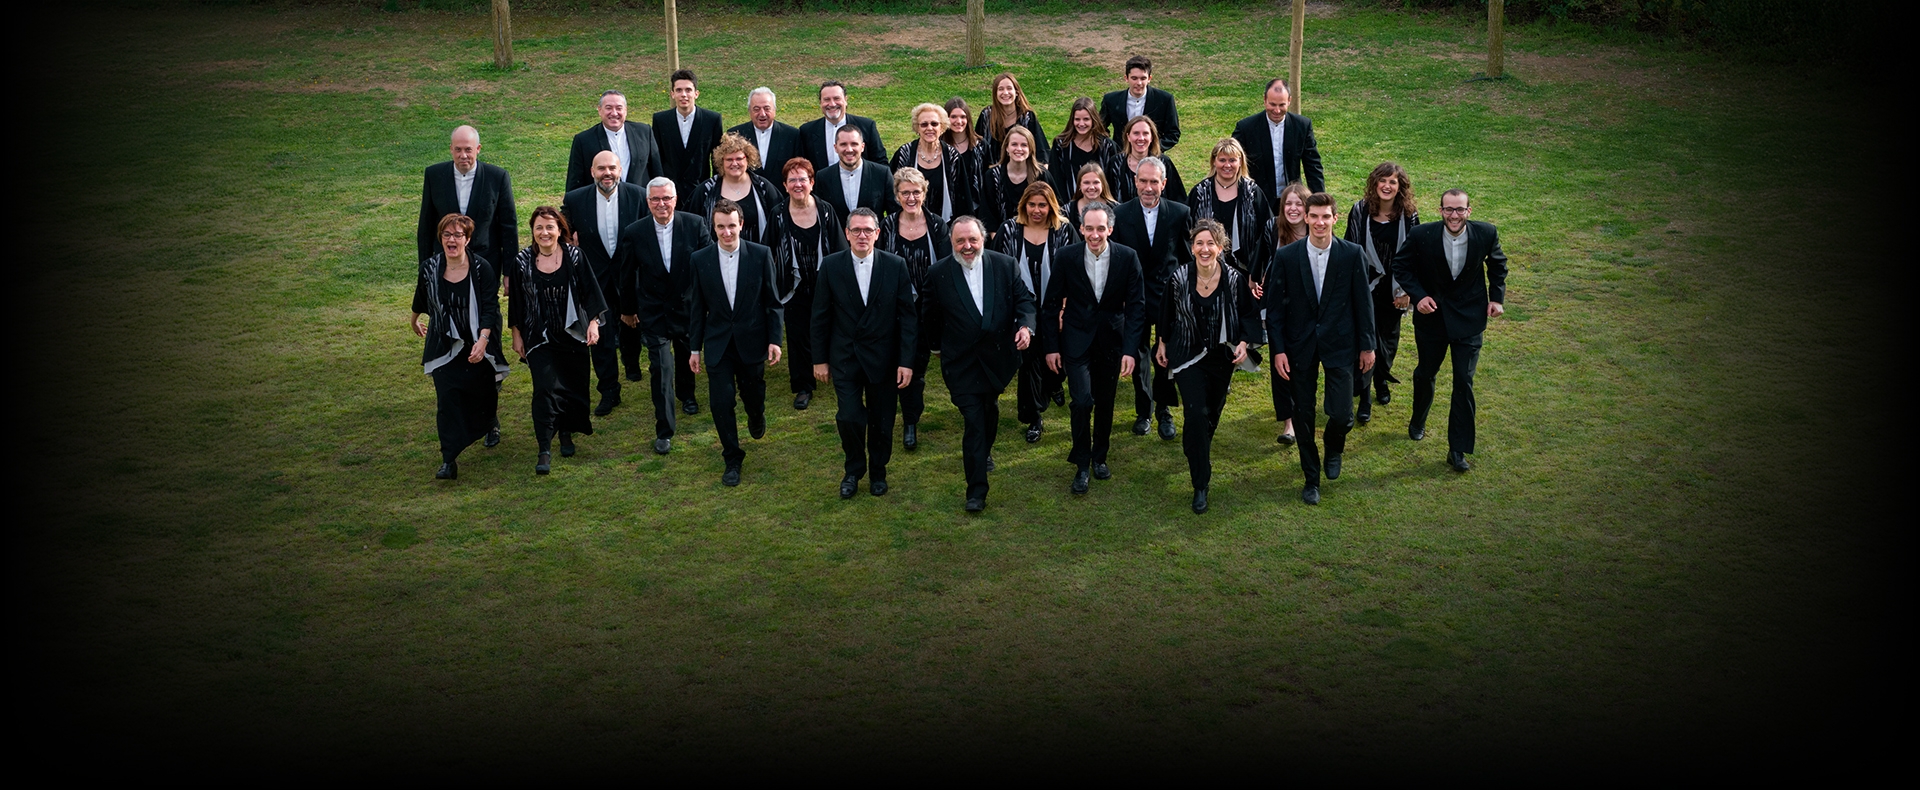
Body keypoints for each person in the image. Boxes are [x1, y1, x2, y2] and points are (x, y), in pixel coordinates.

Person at [1265, 193, 1375, 505]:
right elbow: (1274, 311)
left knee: (1341, 414)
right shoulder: (1287, 257)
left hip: (1341, 343)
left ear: (1335, 218)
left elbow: (1363, 304)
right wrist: (1278, 350)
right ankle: (1311, 478)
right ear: (1306, 218)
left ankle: (1333, 446)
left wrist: (1368, 346)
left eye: (1325, 216)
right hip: (1298, 347)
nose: (1319, 222)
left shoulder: (1352, 254)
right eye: (1314, 216)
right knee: (1303, 415)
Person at [922, 216, 1037, 513]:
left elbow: (1024, 300)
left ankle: (983, 451)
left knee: (989, 411)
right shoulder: (938, 273)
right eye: (960, 241)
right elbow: (930, 316)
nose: (967, 246)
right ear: (951, 242)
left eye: (972, 239)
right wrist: (936, 347)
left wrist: (1026, 327)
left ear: (983, 239)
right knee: (973, 423)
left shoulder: (1005, 265)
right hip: (961, 364)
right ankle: (976, 491)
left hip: (997, 360)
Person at [1391, 189, 1508, 473]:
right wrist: (1418, 296)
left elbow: (1497, 265)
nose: (1454, 215)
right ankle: (1418, 419)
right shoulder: (1422, 235)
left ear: (1469, 211)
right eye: (1449, 209)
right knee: (1426, 372)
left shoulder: (1486, 233)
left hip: (1469, 319)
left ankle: (1457, 449)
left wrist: (1496, 298)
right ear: (1440, 210)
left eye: (1459, 210)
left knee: (1463, 381)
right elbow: (1401, 266)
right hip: (1432, 318)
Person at [811, 208, 918, 499]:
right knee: (849, 416)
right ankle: (853, 470)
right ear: (847, 234)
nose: (862, 235)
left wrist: (906, 362)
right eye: (856, 230)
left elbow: (908, 318)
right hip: (845, 357)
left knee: (882, 421)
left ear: (877, 233)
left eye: (868, 230)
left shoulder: (895, 265)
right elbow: (820, 317)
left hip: (883, 359)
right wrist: (819, 359)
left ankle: (878, 472)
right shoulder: (831, 266)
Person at [1155, 219, 1260, 514]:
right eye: (1199, 243)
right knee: (1196, 412)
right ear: (1192, 247)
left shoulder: (1234, 279)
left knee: (1211, 413)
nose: (1204, 249)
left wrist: (1243, 343)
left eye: (1210, 243)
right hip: (1187, 354)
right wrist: (1162, 342)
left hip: (1220, 357)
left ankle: (1196, 445)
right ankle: (1200, 483)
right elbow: (1166, 313)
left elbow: (1248, 315)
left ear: (1221, 247)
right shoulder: (1178, 278)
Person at [1040, 201, 1144, 495]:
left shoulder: (1128, 257)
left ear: (1110, 229)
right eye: (1089, 228)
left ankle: (1100, 457)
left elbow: (1136, 308)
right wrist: (1051, 347)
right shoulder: (1066, 256)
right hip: (1076, 341)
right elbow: (1050, 305)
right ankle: (1082, 464)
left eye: (1100, 228)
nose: (1094, 234)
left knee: (1106, 403)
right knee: (1083, 401)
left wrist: (1130, 350)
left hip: (1111, 342)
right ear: (1081, 228)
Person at [687, 199, 784, 487]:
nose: (726, 232)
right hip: (718, 344)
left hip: (752, 341)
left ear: (741, 224)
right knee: (721, 402)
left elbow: (772, 302)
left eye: (731, 225)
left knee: (753, 394)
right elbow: (697, 308)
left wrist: (774, 340)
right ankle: (732, 457)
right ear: (713, 227)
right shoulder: (700, 259)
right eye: (720, 227)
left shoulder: (760, 254)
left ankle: (756, 415)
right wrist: (695, 349)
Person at [614, 176, 711, 454]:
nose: (661, 204)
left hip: (687, 308)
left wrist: (708, 305)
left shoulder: (695, 225)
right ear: (648, 202)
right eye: (655, 199)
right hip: (653, 311)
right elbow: (626, 275)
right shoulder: (635, 232)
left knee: (686, 354)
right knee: (660, 368)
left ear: (675, 199)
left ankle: (687, 395)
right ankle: (664, 430)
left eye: (666, 198)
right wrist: (628, 311)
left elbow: (708, 267)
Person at [507, 206, 607, 475]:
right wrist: (516, 334)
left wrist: (594, 323)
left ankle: (566, 432)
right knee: (544, 389)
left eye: (549, 227)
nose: (544, 232)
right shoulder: (521, 261)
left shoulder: (574, 256)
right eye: (539, 227)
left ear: (560, 229)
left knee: (572, 386)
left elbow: (590, 291)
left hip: (572, 334)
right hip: (538, 336)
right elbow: (516, 302)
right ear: (532, 231)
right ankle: (544, 448)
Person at [412, 214, 509, 480]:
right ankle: (449, 459)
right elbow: (421, 296)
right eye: (447, 235)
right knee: (447, 400)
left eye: (457, 235)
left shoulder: (481, 268)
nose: (451, 240)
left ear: (467, 240)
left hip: (477, 339)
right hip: (444, 342)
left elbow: (490, 307)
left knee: (482, 393)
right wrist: (414, 320)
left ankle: (490, 422)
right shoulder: (430, 268)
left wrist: (483, 340)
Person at [1109, 156, 1192, 441]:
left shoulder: (1180, 213)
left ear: (1164, 183)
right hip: (1133, 298)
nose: (1148, 187)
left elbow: (1186, 259)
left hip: (1168, 298)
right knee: (1138, 353)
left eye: (1153, 182)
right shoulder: (1120, 214)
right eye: (1143, 181)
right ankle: (1143, 411)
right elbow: (1117, 261)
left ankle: (1164, 412)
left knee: (1165, 356)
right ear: (1135, 181)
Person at [991, 181, 1079, 444]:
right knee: (1029, 361)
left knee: (1055, 354)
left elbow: (1075, 271)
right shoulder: (1009, 230)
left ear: (1051, 206)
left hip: (1056, 306)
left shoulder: (1064, 230)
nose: (1037, 210)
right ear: (1024, 205)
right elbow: (997, 269)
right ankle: (1034, 416)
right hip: (1020, 308)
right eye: (1032, 204)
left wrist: (1064, 307)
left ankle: (1053, 383)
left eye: (1042, 205)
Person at [562, 151, 644, 416]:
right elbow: (562, 230)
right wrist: (568, 241)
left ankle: (632, 364)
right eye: (601, 169)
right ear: (592, 172)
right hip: (594, 279)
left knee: (631, 323)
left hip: (629, 275)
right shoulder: (575, 200)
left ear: (620, 170)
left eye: (612, 168)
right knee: (600, 336)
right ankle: (609, 390)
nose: (607, 173)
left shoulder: (638, 195)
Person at [877, 169, 952, 452]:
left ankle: (911, 419)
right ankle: (898, 417)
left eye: (916, 192)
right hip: (894, 307)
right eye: (905, 192)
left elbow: (946, 267)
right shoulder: (885, 226)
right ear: (896, 195)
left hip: (927, 306)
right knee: (898, 360)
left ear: (924, 193)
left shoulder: (937, 225)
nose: (911, 198)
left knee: (917, 365)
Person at [1345, 162, 1419, 425]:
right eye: (1382, 180)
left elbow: (1415, 254)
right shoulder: (1360, 210)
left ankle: (1381, 379)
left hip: (1395, 290)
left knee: (1388, 343)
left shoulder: (1409, 215)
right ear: (1374, 183)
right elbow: (1351, 248)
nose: (1387, 186)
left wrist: (1407, 290)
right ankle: (1365, 397)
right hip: (1365, 286)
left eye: (1393, 182)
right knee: (1366, 341)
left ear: (1400, 187)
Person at [771, 158, 846, 412]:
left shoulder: (825, 211)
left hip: (824, 285)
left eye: (802, 179)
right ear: (784, 185)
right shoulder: (778, 214)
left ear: (812, 182)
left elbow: (839, 249)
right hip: (793, 286)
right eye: (792, 180)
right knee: (797, 335)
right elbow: (769, 250)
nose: (798, 184)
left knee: (831, 328)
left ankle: (834, 370)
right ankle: (804, 386)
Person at [1250, 182, 1312, 445]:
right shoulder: (1272, 227)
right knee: (1280, 362)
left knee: (1302, 364)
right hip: (1278, 307)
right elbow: (1259, 259)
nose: (1293, 208)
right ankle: (1289, 423)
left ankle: (1304, 411)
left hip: (1308, 309)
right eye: (1288, 203)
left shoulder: (1317, 228)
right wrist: (1254, 281)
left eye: (1299, 203)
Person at [417, 125, 518, 274]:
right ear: (451, 149)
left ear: (478, 149)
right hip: (445, 264)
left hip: (486, 264)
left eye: (468, 149)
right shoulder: (434, 176)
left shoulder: (497, 177)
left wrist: (510, 272)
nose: (463, 155)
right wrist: (424, 268)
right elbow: (426, 225)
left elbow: (508, 225)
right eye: (458, 149)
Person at [1231, 78, 1324, 212]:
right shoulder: (1246, 128)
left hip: (1292, 201)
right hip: (1257, 200)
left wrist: (1319, 201)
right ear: (1264, 100)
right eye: (1272, 104)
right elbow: (1232, 162)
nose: (1277, 110)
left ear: (1289, 101)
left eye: (1282, 105)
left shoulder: (1302, 126)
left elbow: (1312, 165)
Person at [1187, 137, 1272, 276]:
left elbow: (1267, 231)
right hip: (1206, 270)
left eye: (1232, 160)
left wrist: (1257, 271)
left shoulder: (1252, 192)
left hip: (1247, 272)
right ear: (1214, 161)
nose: (1227, 165)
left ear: (1240, 162)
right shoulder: (1200, 192)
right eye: (1222, 160)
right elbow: (1187, 231)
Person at [687, 132, 784, 247]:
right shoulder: (706, 190)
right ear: (721, 162)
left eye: (739, 158)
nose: (734, 163)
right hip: (716, 254)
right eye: (729, 159)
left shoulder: (763, 188)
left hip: (756, 254)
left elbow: (780, 220)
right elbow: (691, 223)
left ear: (747, 159)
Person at [566, 90, 665, 193]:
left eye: (619, 108)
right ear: (600, 110)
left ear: (625, 110)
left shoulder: (644, 132)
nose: (614, 113)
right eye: (608, 108)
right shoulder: (584, 140)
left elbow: (657, 172)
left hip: (640, 200)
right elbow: (575, 183)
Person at [890, 103, 971, 222]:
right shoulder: (904, 153)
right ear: (917, 128)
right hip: (908, 223)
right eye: (924, 124)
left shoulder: (952, 156)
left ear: (942, 127)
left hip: (946, 224)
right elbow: (891, 191)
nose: (929, 128)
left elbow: (962, 197)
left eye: (934, 124)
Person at [653, 69, 724, 200]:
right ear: (672, 94)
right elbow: (657, 158)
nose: (683, 95)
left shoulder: (712, 120)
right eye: (679, 90)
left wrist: (716, 190)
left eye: (688, 90)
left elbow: (717, 159)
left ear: (696, 93)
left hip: (700, 191)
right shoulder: (660, 120)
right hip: (670, 194)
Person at [1048, 97, 1123, 207]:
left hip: (1102, 209)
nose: (1081, 123)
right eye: (1077, 119)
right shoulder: (1061, 146)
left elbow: (1114, 181)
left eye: (1086, 119)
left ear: (1093, 120)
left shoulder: (1107, 146)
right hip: (1069, 208)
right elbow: (1055, 180)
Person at [813, 126, 896, 224]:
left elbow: (894, 213)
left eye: (854, 144)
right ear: (835, 148)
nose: (849, 149)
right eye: (843, 144)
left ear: (862, 147)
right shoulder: (823, 177)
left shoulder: (882, 174)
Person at [798, 80, 885, 172]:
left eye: (837, 98)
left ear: (845, 100)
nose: (832, 104)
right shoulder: (807, 131)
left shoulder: (866, 126)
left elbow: (880, 162)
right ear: (820, 102)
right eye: (827, 99)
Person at [1100, 55, 1181, 152]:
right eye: (1134, 78)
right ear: (1126, 78)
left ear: (1149, 78)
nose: (1139, 83)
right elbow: (1100, 128)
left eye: (1143, 78)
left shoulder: (1164, 99)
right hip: (1120, 155)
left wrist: (1152, 149)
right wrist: (1111, 147)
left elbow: (1173, 133)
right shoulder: (1111, 100)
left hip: (1152, 157)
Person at [976, 72, 1050, 167]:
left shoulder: (1027, 117)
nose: (1005, 93)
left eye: (1009, 88)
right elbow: (977, 148)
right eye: (1000, 89)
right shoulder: (986, 116)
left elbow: (1042, 153)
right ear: (995, 93)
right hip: (992, 172)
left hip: (1023, 171)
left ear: (1017, 92)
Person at [982, 125, 1047, 232]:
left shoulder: (1041, 175)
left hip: (1036, 234)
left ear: (1030, 149)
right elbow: (987, 214)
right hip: (1000, 236)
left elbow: (1053, 208)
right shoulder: (992, 176)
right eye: (1014, 144)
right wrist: (998, 239)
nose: (1019, 149)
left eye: (1024, 145)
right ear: (1007, 148)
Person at [728, 87, 801, 180]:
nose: (762, 114)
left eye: (767, 108)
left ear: (774, 110)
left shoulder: (792, 135)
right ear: (749, 111)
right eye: (756, 109)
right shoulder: (735, 135)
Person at [1110, 115, 1185, 205]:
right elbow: (1108, 198)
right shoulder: (1116, 163)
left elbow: (1178, 200)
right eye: (1136, 133)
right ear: (1128, 137)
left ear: (1151, 137)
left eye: (1145, 133)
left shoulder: (1164, 163)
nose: (1141, 138)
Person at [943, 97, 990, 229]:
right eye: (953, 117)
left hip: (977, 208)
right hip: (949, 209)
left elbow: (988, 177)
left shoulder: (981, 146)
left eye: (963, 117)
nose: (959, 121)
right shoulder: (940, 147)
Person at [1062, 163, 1114, 229]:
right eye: (1086, 183)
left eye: (1096, 182)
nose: (1091, 187)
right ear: (1079, 185)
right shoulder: (1066, 211)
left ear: (1103, 185)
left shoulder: (1116, 210)